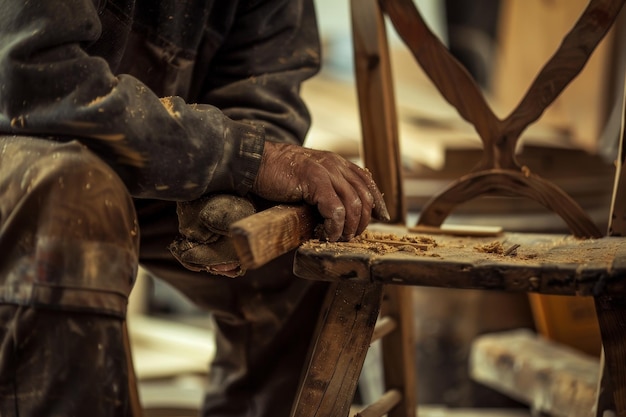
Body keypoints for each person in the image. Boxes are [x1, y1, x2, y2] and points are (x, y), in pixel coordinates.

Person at [0, 0, 390, 416]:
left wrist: (233, 197)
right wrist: (245, 158)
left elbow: (261, 97)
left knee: (303, 253)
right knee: (77, 197)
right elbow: (36, 80)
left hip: (146, 154)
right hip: (22, 132)